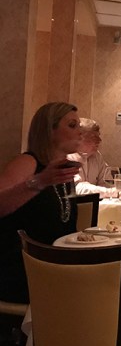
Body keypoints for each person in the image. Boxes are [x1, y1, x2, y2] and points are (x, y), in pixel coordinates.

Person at [0, 102, 83, 303]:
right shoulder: (28, 163)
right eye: (72, 125)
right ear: (49, 130)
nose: (80, 132)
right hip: (25, 270)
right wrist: (39, 181)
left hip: (53, 266)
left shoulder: (64, 171)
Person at [67, 118, 118, 198]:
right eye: (94, 137)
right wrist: (114, 193)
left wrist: (111, 192)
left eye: (99, 136)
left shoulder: (97, 156)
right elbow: (77, 188)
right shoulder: (68, 156)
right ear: (80, 137)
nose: (99, 140)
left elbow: (107, 184)